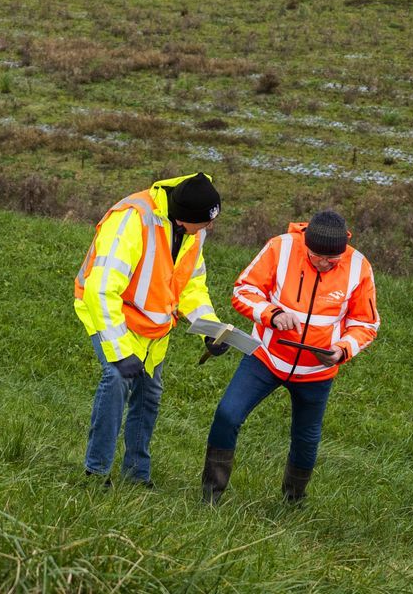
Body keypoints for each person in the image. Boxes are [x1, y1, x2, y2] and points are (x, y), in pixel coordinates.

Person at [200, 210, 378, 505]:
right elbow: (244, 291)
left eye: (331, 260)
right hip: (265, 358)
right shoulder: (280, 247)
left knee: (306, 439)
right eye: (315, 256)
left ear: (343, 251)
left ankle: (293, 500)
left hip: (316, 373)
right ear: (305, 243)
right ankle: (210, 495)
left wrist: (343, 349)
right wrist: (273, 314)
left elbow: (366, 324)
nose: (323, 263)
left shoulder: (359, 267)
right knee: (227, 414)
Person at [73, 172, 223, 487]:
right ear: (183, 219)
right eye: (205, 222)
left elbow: (190, 283)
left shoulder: (193, 232)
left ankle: (136, 475)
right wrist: (119, 352)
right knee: (116, 380)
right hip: (113, 317)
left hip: (153, 328)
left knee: (149, 394)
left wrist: (209, 326)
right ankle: (95, 473)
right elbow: (100, 291)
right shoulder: (132, 220)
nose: (210, 228)